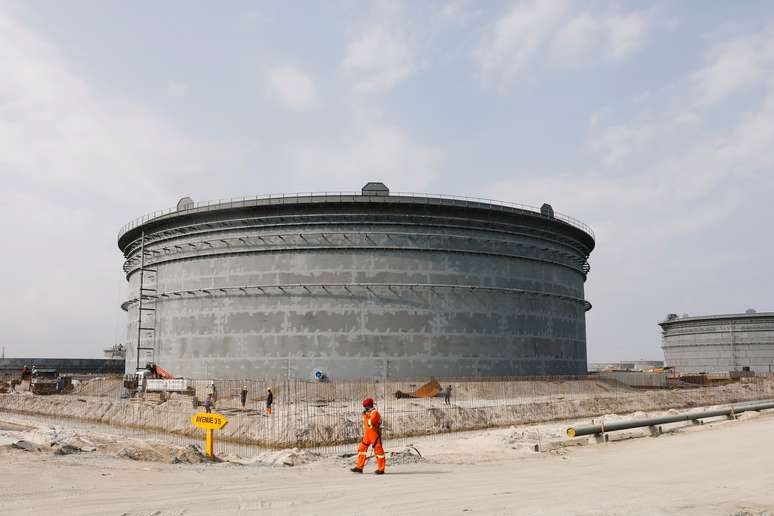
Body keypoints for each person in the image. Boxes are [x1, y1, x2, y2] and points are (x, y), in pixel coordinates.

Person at [351, 398, 385, 475]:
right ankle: (359, 467)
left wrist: (366, 416)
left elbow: (371, 423)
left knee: (379, 451)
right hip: (368, 434)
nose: (364, 408)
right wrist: (366, 415)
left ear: (369, 406)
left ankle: (381, 469)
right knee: (362, 448)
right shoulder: (369, 413)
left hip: (374, 434)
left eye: (365, 407)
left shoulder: (375, 413)